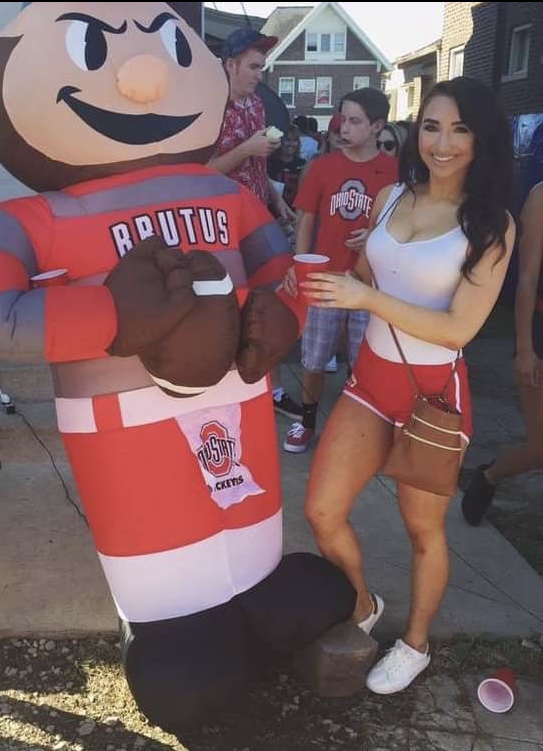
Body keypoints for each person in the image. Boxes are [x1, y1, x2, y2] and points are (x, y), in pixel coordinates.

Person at [0, 3, 356, 733]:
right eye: (92, 47)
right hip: (122, 424)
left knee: (245, 504)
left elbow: (281, 271)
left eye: (165, 44)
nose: (144, 75)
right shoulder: (34, 220)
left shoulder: (228, 195)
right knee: (161, 546)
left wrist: (280, 313)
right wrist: (112, 317)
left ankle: (257, 589)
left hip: (237, 394)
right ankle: (168, 623)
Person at [295, 76, 516, 693]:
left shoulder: (491, 225)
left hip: (433, 399)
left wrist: (366, 298)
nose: (442, 143)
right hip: (370, 382)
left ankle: (415, 644)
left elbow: (458, 329)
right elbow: (366, 274)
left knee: (423, 531)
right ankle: (363, 603)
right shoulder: (389, 196)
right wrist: (320, 281)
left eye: (460, 129)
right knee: (322, 510)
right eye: (432, 127)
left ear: (482, 140)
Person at [283, 88, 398, 453]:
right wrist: (300, 266)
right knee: (314, 358)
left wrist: (377, 234)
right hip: (326, 278)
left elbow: (403, 226)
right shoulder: (323, 166)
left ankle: (357, 427)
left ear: (377, 126)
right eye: (342, 119)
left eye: (355, 121)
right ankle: (308, 420)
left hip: (369, 283)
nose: (344, 128)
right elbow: (306, 219)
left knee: (364, 361)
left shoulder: (394, 171)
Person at [208, 27, 302, 421]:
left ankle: (272, 388)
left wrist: (277, 199)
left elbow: (257, 167)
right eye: (253, 67)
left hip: (259, 217)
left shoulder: (256, 105)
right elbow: (200, 173)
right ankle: (224, 388)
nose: (259, 74)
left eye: (262, 67)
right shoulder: (207, 107)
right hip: (221, 226)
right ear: (230, 64)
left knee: (268, 301)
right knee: (227, 305)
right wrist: (247, 148)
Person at [461, 181, 543, 525]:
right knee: (539, 448)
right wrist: (524, 348)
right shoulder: (540, 197)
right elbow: (527, 277)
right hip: (539, 332)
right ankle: (490, 475)